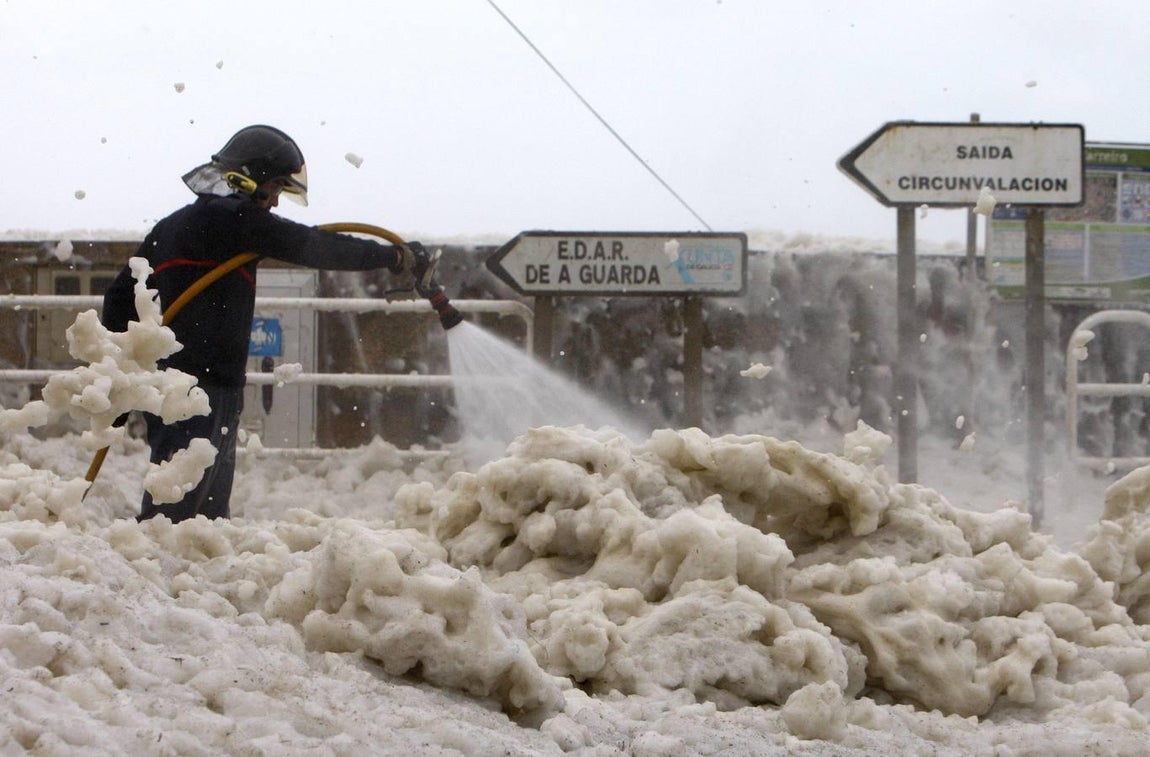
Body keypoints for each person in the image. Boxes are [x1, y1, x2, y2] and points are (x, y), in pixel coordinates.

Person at [101, 124, 432, 523]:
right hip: (201, 388)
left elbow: (119, 298)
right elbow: (313, 245)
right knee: (180, 515)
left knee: (196, 514)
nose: (275, 203)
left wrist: (119, 381)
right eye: (274, 188)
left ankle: (183, 576)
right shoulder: (233, 218)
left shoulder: (170, 228)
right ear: (248, 179)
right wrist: (393, 258)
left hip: (179, 385)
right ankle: (156, 574)